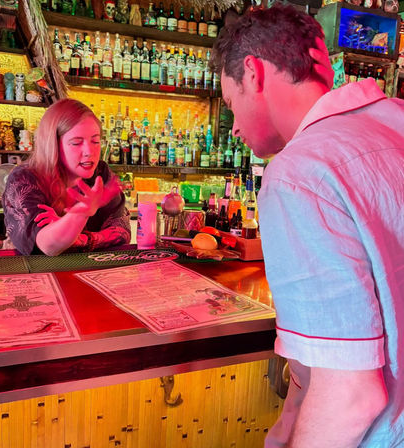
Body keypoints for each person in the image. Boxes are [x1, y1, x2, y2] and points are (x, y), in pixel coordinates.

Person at [211, 3, 404, 448]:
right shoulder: (395, 120)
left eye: (230, 101)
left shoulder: (298, 174)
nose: (234, 126)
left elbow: (351, 395)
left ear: (254, 74)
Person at [2, 98, 131, 256]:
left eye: (95, 141)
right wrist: (80, 214)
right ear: (53, 145)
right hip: (35, 275)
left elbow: (122, 234)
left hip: (91, 271)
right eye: (77, 143)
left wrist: (71, 234)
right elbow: (48, 246)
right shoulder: (25, 178)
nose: (89, 151)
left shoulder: (100, 173)